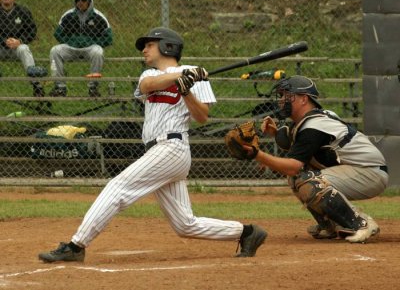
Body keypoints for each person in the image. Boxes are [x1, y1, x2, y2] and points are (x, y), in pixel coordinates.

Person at [38, 27, 267, 263]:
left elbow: (201, 116)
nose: (144, 50)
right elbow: (148, 85)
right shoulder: (149, 74)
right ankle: (247, 233)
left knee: (118, 187)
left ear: (167, 46)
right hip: (159, 151)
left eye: (149, 44)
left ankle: (76, 246)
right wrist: (179, 78)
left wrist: (186, 90)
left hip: (172, 147)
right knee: (185, 224)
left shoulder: (195, 75)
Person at [241, 75, 388, 243]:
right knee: (296, 178)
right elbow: (294, 143)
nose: (282, 100)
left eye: (287, 95)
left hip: (369, 173)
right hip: (360, 171)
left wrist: (257, 155)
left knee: (308, 181)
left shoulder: (314, 126)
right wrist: (275, 133)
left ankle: (360, 223)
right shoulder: (311, 121)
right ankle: (331, 226)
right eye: (281, 95)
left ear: (303, 99)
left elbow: (293, 166)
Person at [49, 0, 113, 97]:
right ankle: (60, 87)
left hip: (90, 48)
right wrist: (70, 41)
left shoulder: (98, 16)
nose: (80, 2)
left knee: (98, 52)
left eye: (84, 0)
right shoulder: (68, 15)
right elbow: (58, 33)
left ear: (89, 2)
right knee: (55, 51)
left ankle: (93, 87)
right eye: (78, 0)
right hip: (71, 48)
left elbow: (109, 38)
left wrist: (92, 41)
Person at [0, 0, 47, 97]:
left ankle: (36, 85)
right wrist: (4, 41)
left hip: (17, 48)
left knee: (24, 48)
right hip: (1, 47)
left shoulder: (23, 11)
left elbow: (32, 31)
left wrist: (19, 41)